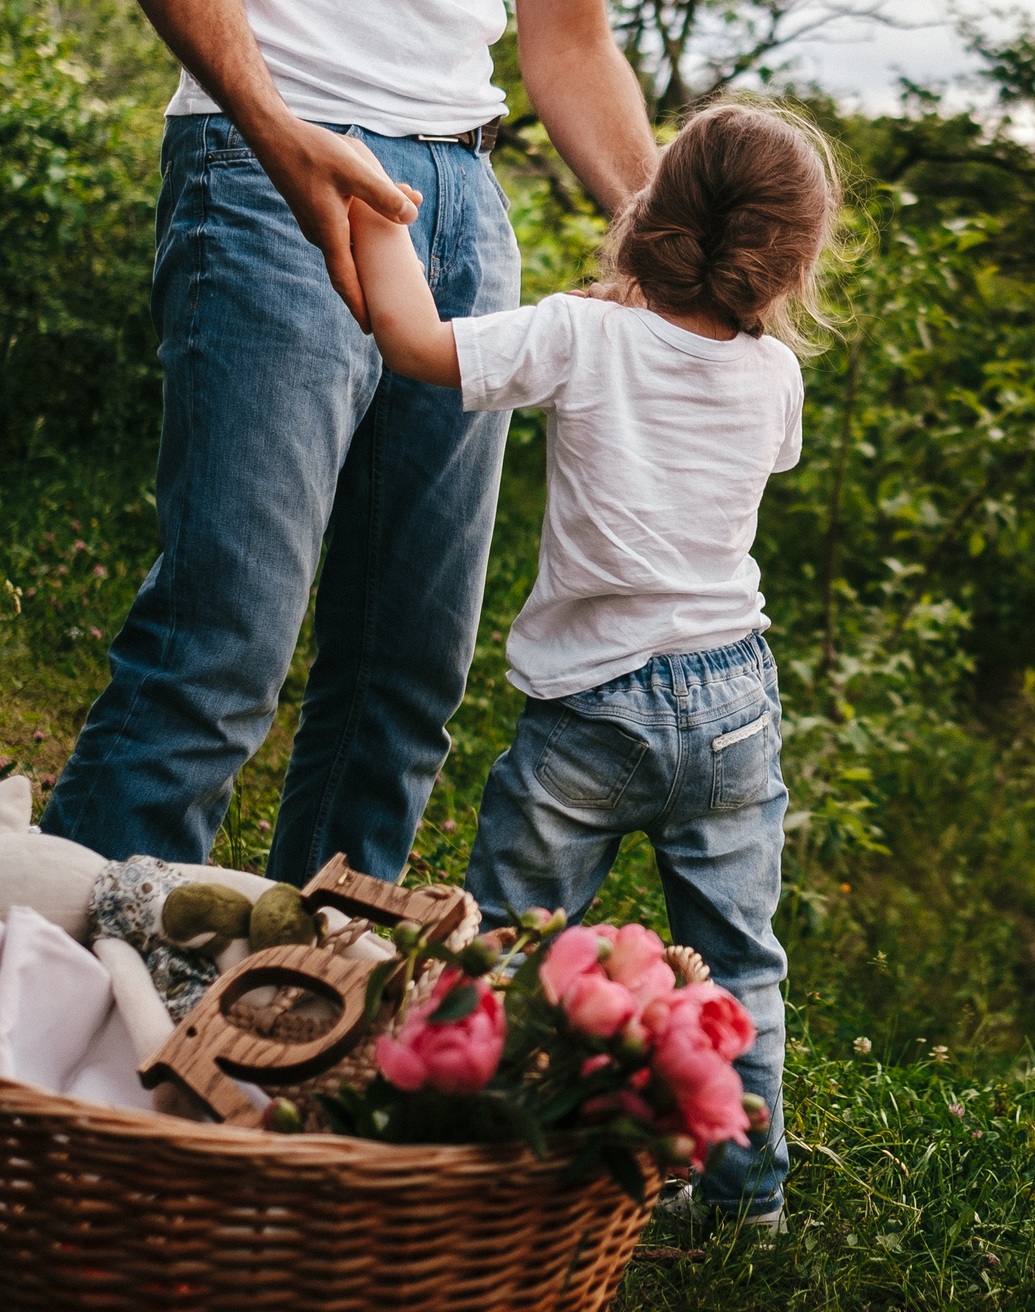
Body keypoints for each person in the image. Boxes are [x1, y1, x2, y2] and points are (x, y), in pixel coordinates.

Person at [40, 0, 658, 884]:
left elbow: (569, 43)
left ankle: (284, 1036)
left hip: (460, 205)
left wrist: (684, 249)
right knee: (222, 644)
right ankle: (39, 1025)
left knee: (404, 675)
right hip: (274, 163)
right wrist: (271, 126)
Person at [349, 100, 838, 1229]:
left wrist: (375, 209)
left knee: (511, 950)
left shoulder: (583, 334)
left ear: (650, 210)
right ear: (792, 258)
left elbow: (418, 346)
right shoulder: (774, 380)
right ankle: (747, 1197)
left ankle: (467, 1171)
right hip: (731, 698)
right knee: (739, 964)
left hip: (590, 708)